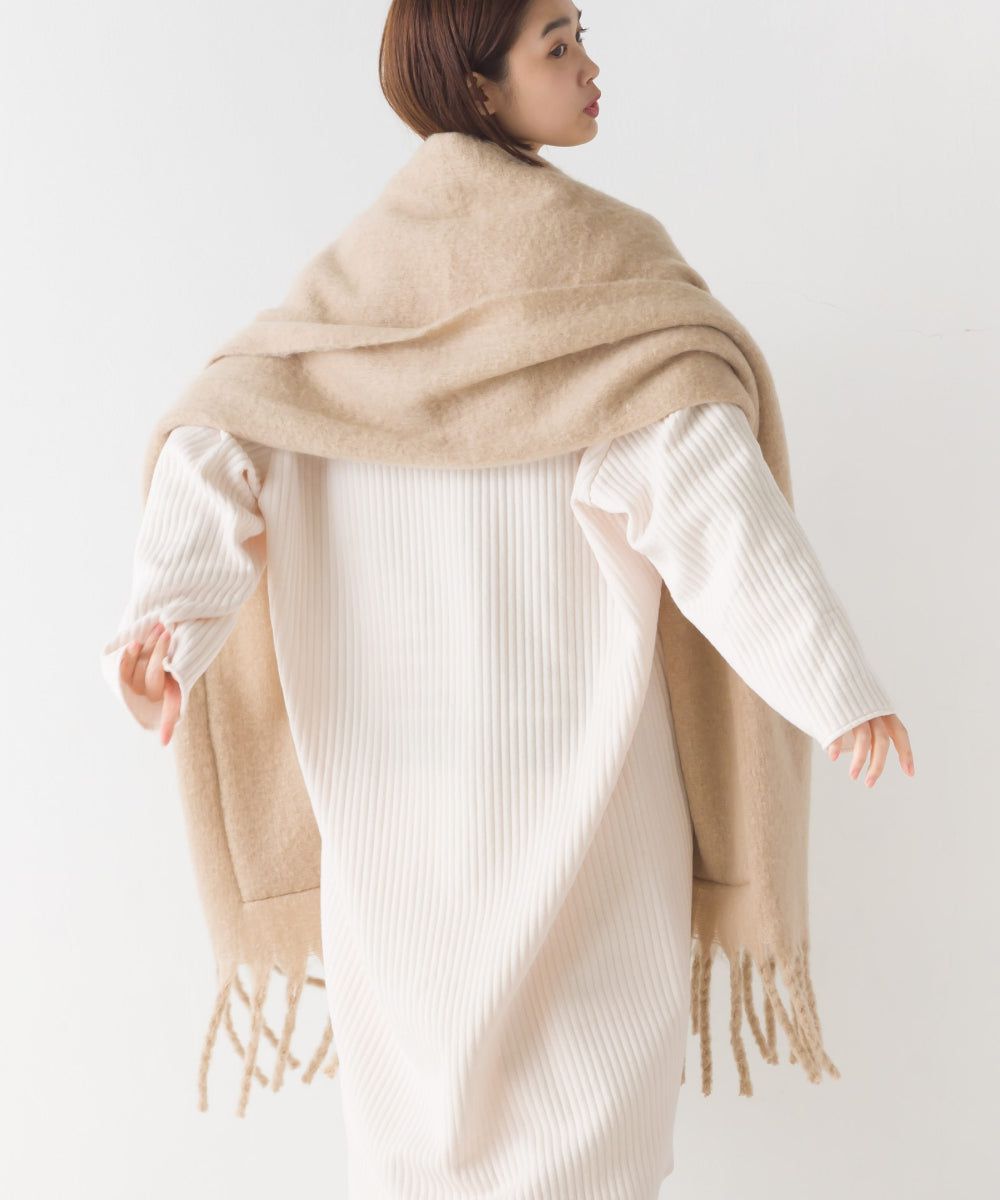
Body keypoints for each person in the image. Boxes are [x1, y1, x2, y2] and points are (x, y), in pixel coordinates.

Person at [101, 2, 914, 1195]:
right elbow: (712, 501)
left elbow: (216, 443)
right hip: (559, 820)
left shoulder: (334, 311)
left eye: (581, 34)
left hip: (429, 829)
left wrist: (168, 621)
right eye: (558, 44)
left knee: (433, 1156)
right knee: (570, 1147)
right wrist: (828, 681)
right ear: (478, 84)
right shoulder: (608, 288)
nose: (591, 66)